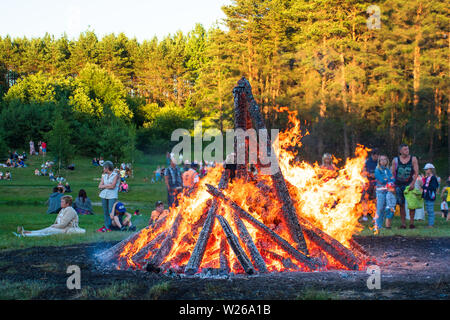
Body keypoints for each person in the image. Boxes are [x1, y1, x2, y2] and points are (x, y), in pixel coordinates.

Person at [15, 196, 85, 237]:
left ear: (67, 203)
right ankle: (28, 232)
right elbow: (58, 221)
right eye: (61, 201)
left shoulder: (70, 210)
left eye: (62, 202)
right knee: (46, 229)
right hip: (61, 228)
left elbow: (63, 224)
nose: (61, 203)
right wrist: (54, 225)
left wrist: (54, 226)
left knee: (48, 231)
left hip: (66, 229)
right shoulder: (63, 210)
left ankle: (27, 234)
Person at [391, 144, 419, 229]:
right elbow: (392, 173)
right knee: (401, 205)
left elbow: (416, 172)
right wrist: (394, 185)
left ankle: (411, 223)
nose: (407, 151)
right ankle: (403, 224)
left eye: (407, 149)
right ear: (400, 151)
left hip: (409, 184)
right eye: (405, 149)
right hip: (399, 184)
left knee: (411, 204)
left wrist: (413, 183)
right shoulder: (395, 160)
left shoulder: (413, 159)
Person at [98, 161, 120, 232]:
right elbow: (99, 186)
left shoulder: (115, 175)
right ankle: (106, 226)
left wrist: (104, 186)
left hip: (112, 195)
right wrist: (107, 185)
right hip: (103, 195)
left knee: (111, 212)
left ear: (107, 168)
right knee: (105, 212)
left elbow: (113, 186)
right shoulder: (103, 175)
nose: (103, 169)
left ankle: (111, 226)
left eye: (104, 168)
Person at [374, 155, 395, 230]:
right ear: (379, 161)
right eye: (381, 160)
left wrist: (388, 179)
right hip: (380, 191)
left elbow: (393, 180)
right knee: (379, 209)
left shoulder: (387, 170)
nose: (383, 161)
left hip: (388, 191)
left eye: (384, 159)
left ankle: (380, 225)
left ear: (387, 161)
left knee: (384, 209)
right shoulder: (377, 170)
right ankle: (376, 226)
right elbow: (381, 180)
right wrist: (389, 179)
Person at [422, 163, 439, 228]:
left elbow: (434, 186)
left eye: (427, 169)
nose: (425, 171)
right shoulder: (428, 177)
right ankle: (430, 224)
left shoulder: (433, 178)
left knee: (430, 210)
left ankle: (431, 225)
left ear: (431, 169)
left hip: (431, 196)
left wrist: (424, 187)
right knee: (428, 210)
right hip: (427, 196)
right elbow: (426, 185)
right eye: (425, 169)